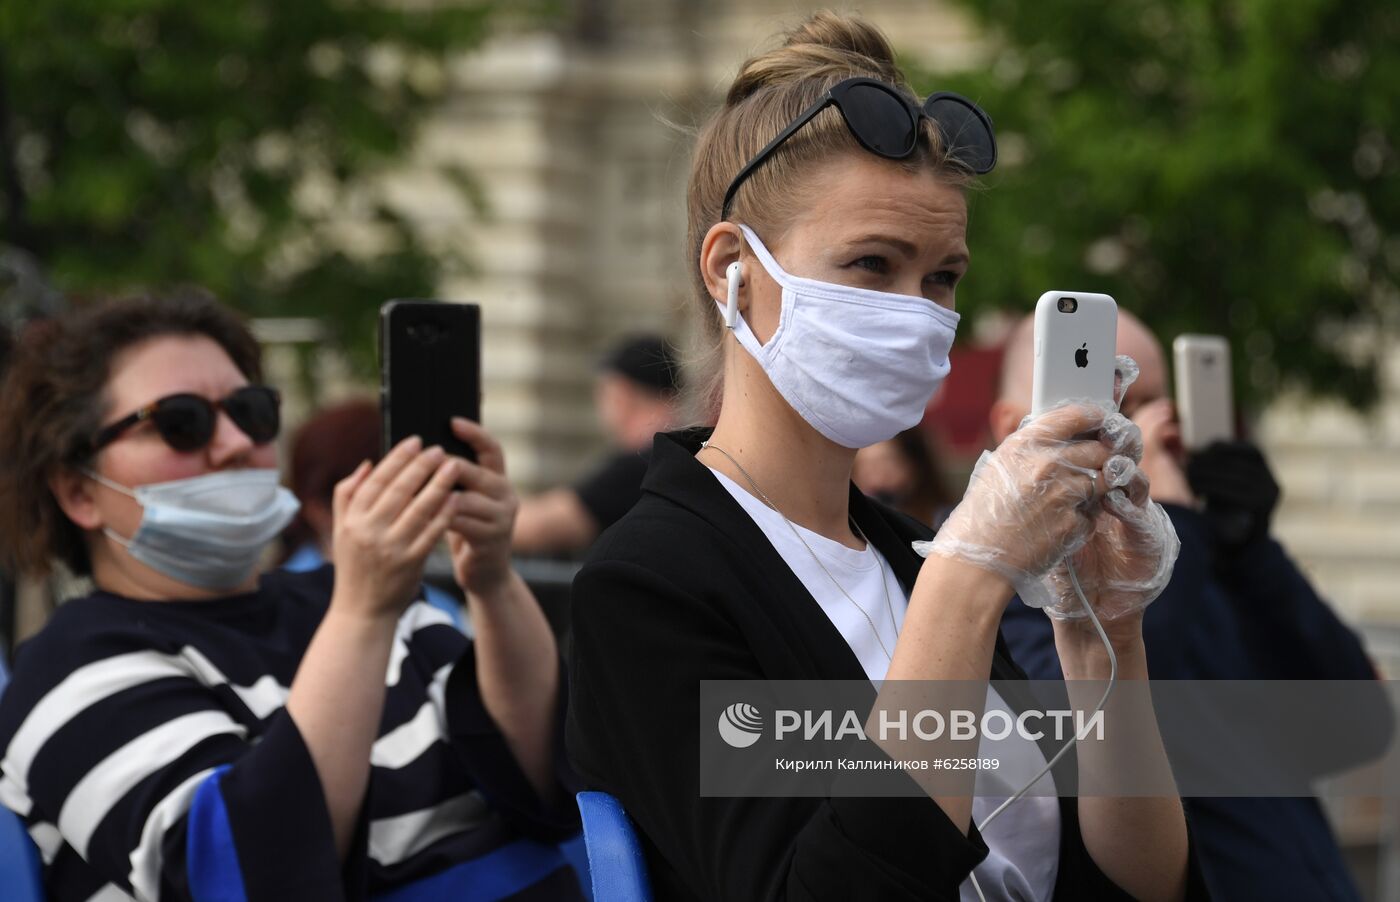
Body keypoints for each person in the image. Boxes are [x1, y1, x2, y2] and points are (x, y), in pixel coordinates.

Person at [567, 13, 1206, 901]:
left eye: (941, 276)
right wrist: (967, 579)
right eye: (872, 263)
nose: (918, 312)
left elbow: (1139, 885)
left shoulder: (910, 553)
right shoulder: (650, 581)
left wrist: (1103, 638)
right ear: (731, 271)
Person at [0, 295, 582, 900]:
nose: (232, 443)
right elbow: (245, 872)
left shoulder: (362, 600)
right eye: (182, 422)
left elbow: (547, 776)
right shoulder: (67, 668)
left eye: (251, 412)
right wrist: (362, 614)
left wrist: (489, 579)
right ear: (78, 492)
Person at [994, 310, 1379, 901]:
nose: (1139, 435)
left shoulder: (1205, 558)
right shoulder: (1002, 574)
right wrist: (1181, 534)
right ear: (1008, 426)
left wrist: (1251, 551)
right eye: (1112, 405)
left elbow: (1356, 724)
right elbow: (1068, 742)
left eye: (1155, 406)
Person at [282, 397, 468, 632]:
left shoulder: (438, 609)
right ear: (318, 510)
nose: (409, 514)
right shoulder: (277, 608)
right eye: (381, 497)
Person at [512, 334, 681, 555]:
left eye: (603, 392)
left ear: (622, 395)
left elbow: (537, 528)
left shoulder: (639, 466)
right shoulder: (683, 453)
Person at [852, 426, 957, 528]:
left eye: (887, 464)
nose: (876, 480)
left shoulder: (949, 522)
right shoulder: (856, 525)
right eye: (866, 468)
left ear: (914, 463)